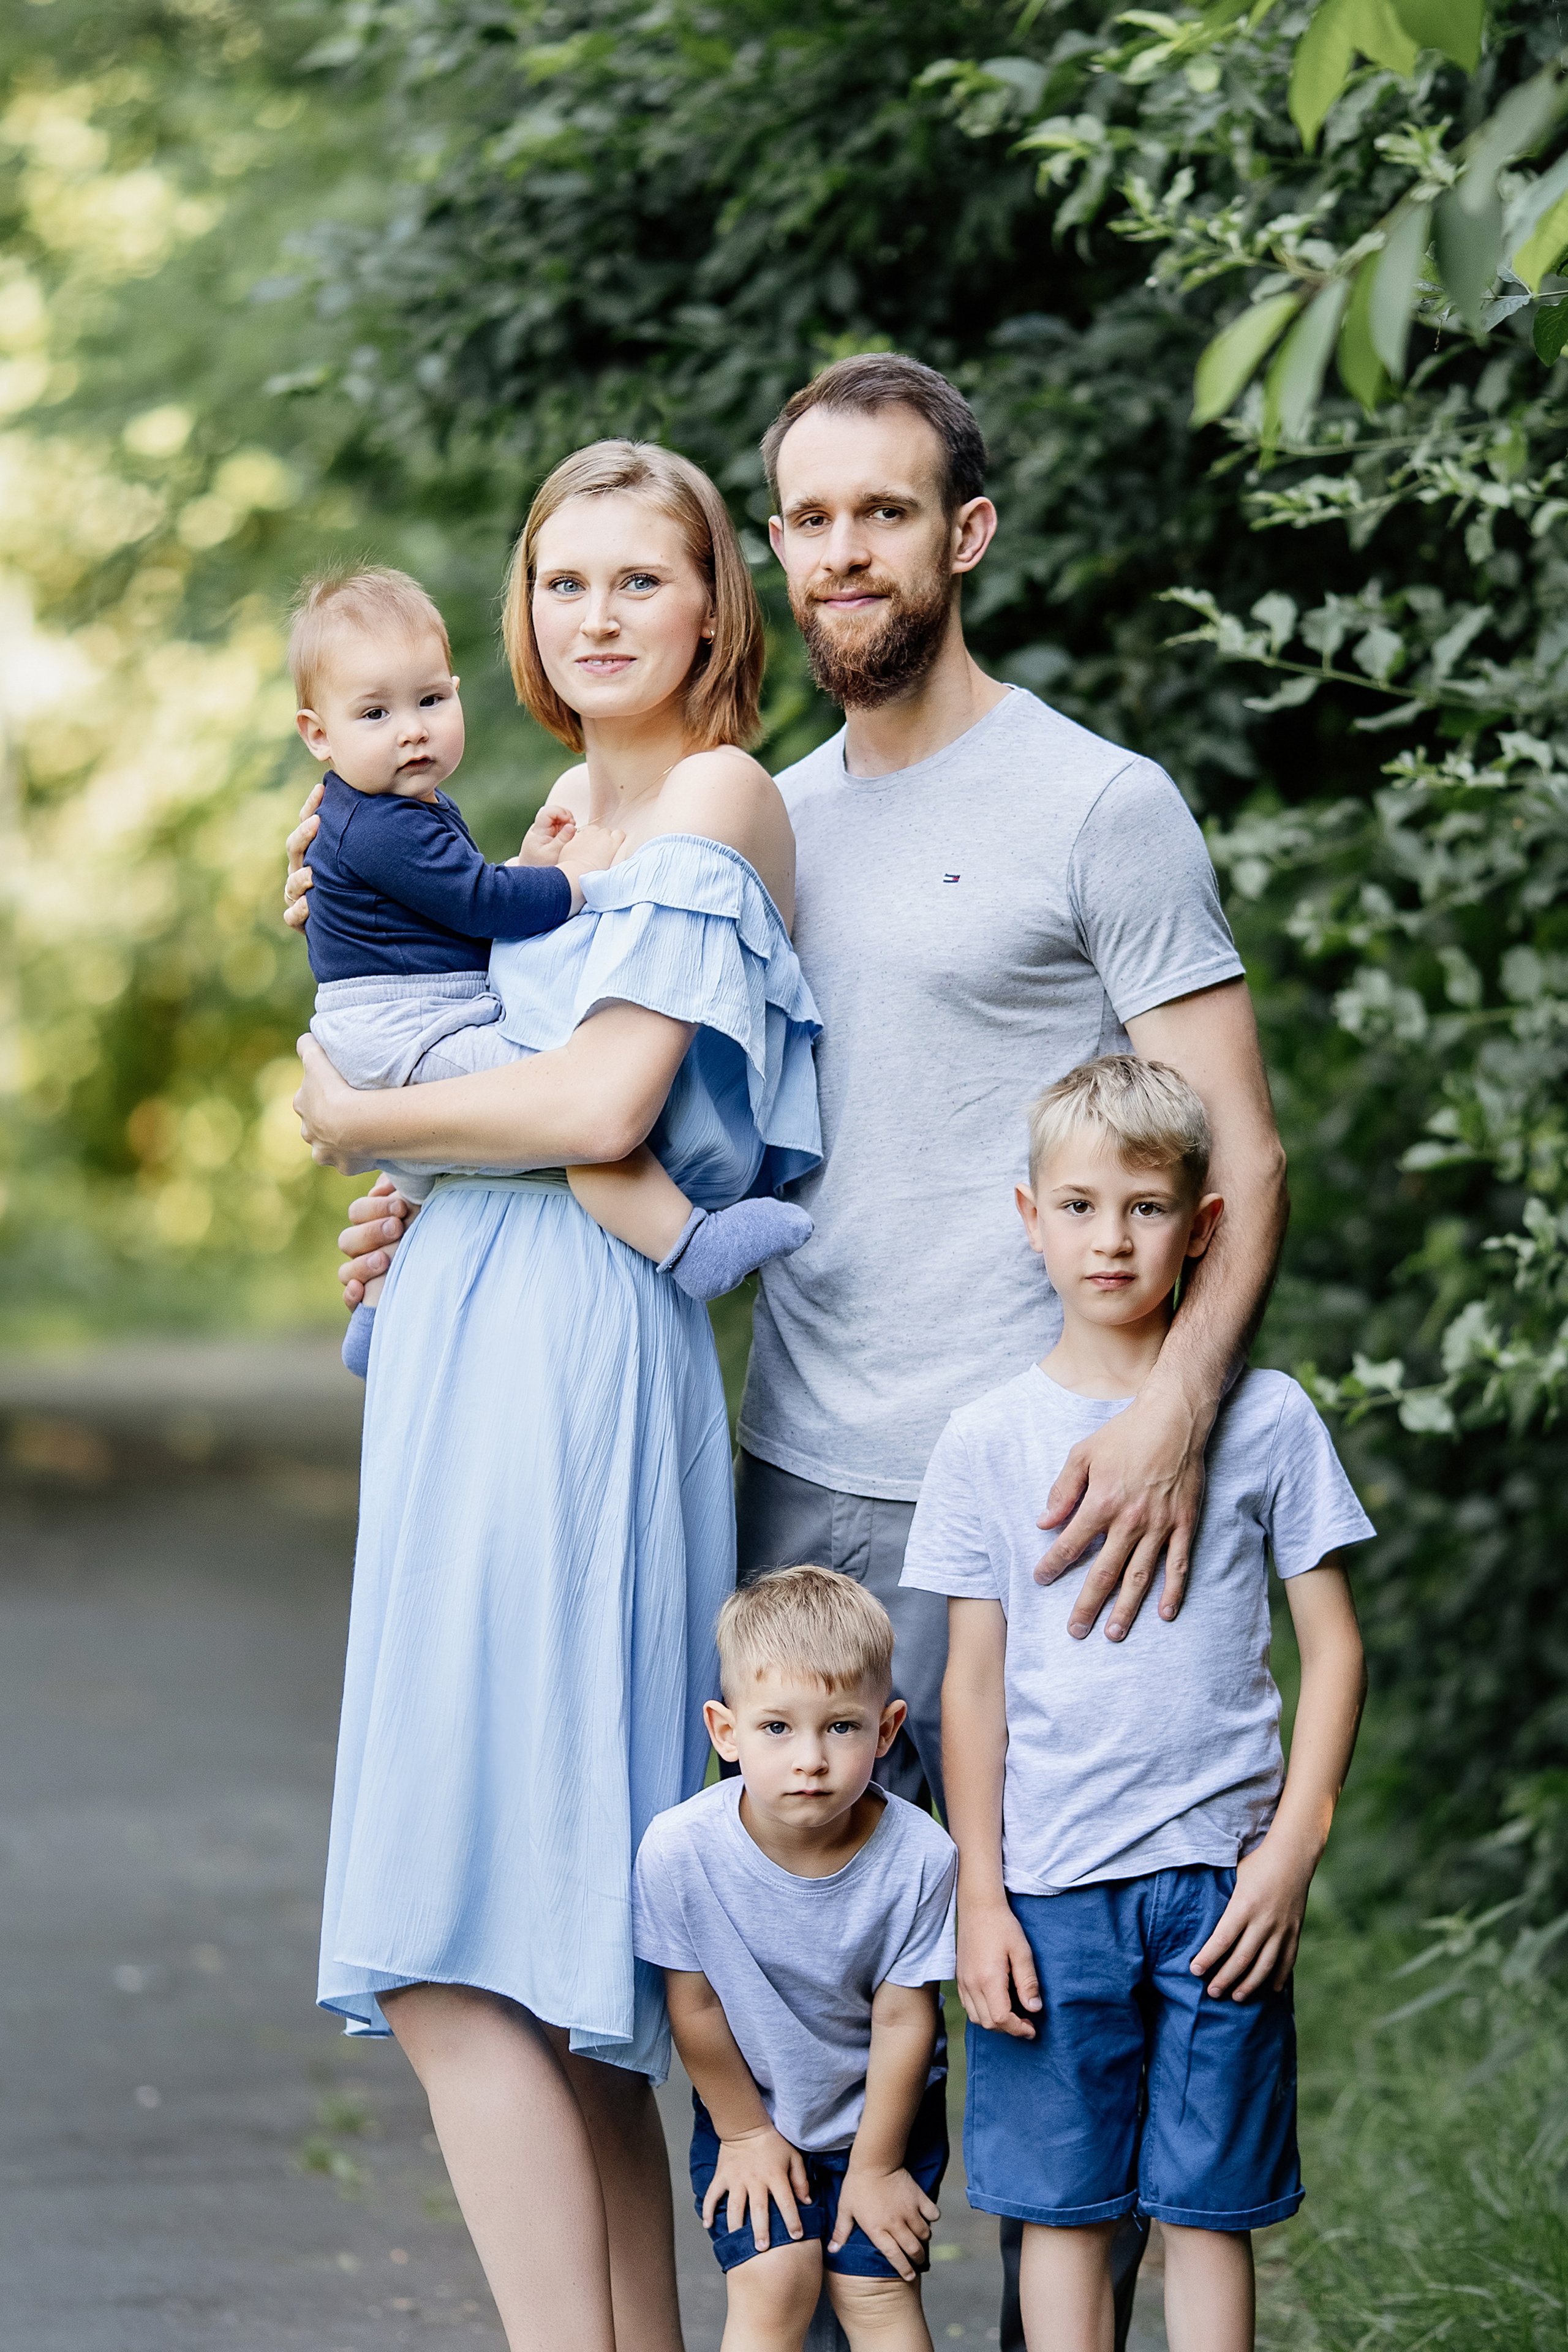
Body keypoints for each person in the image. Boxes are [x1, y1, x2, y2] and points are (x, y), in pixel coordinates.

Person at [304, 352, 1291, 2352]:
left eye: (883, 514)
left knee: (1032, 2015)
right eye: (811, 517)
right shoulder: (733, 812)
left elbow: (1239, 1149)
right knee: (791, 2043)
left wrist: (1176, 1411)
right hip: (794, 1470)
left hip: (1040, 1491)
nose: (844, 551)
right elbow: (635, 1095)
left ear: (964, 537)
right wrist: (428, 1186)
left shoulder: (1096, 804)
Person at [287, 439, 823, 2352]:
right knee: (563, 1979)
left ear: (712, 604)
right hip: (475, 1341)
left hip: (572, 1368)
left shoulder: (713, 793)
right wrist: (408, 1193)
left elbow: (600, 1107)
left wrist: (366, 1117)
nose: (592, 615)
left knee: (464, 1953)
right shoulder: (538, 816)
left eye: (637, 578)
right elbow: (490, 1058)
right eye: (560, 578)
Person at [903, 1056, 1370, 2352]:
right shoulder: (984, 1441)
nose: (1109, 1237)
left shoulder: (1266, 1421)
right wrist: (980, 1899)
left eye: (1145, 1207)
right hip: (1051, 1896)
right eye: (1078, 1204)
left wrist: (1290, 1854)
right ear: (1027, 1216)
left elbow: (1332, 1653)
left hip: (1223, 1891)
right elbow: (970, 1688)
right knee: (1062, 2214)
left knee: (1206, 2215)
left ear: (1201, 1225)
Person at [290, 562, 813, 1374]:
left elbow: (457, 911)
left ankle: (381, 1306)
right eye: (375, 713)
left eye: (431, 702)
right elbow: (480, 909)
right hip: (412, 1037)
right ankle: (688, 1244)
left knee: (483, 1128)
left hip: (415, 1041)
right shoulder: (387, 822)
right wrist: (573, 880)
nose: (412, 731)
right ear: (318, 734)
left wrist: (522, 864)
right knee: (552, 1084)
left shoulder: (389, 809)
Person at [633, 1569, 957, 2352]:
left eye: (840, 1727)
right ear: (725, 1731)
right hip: (752, 2102)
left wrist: (878, 2168)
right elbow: (695, 2005)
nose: (809, 1759)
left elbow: (906, 2015)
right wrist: (745, 2135)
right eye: (777, 1728)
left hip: (882, 2111)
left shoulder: (920, 1854)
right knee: (775, 2284)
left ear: (886, 1733)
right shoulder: (680, 1851)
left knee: (875, 2290)